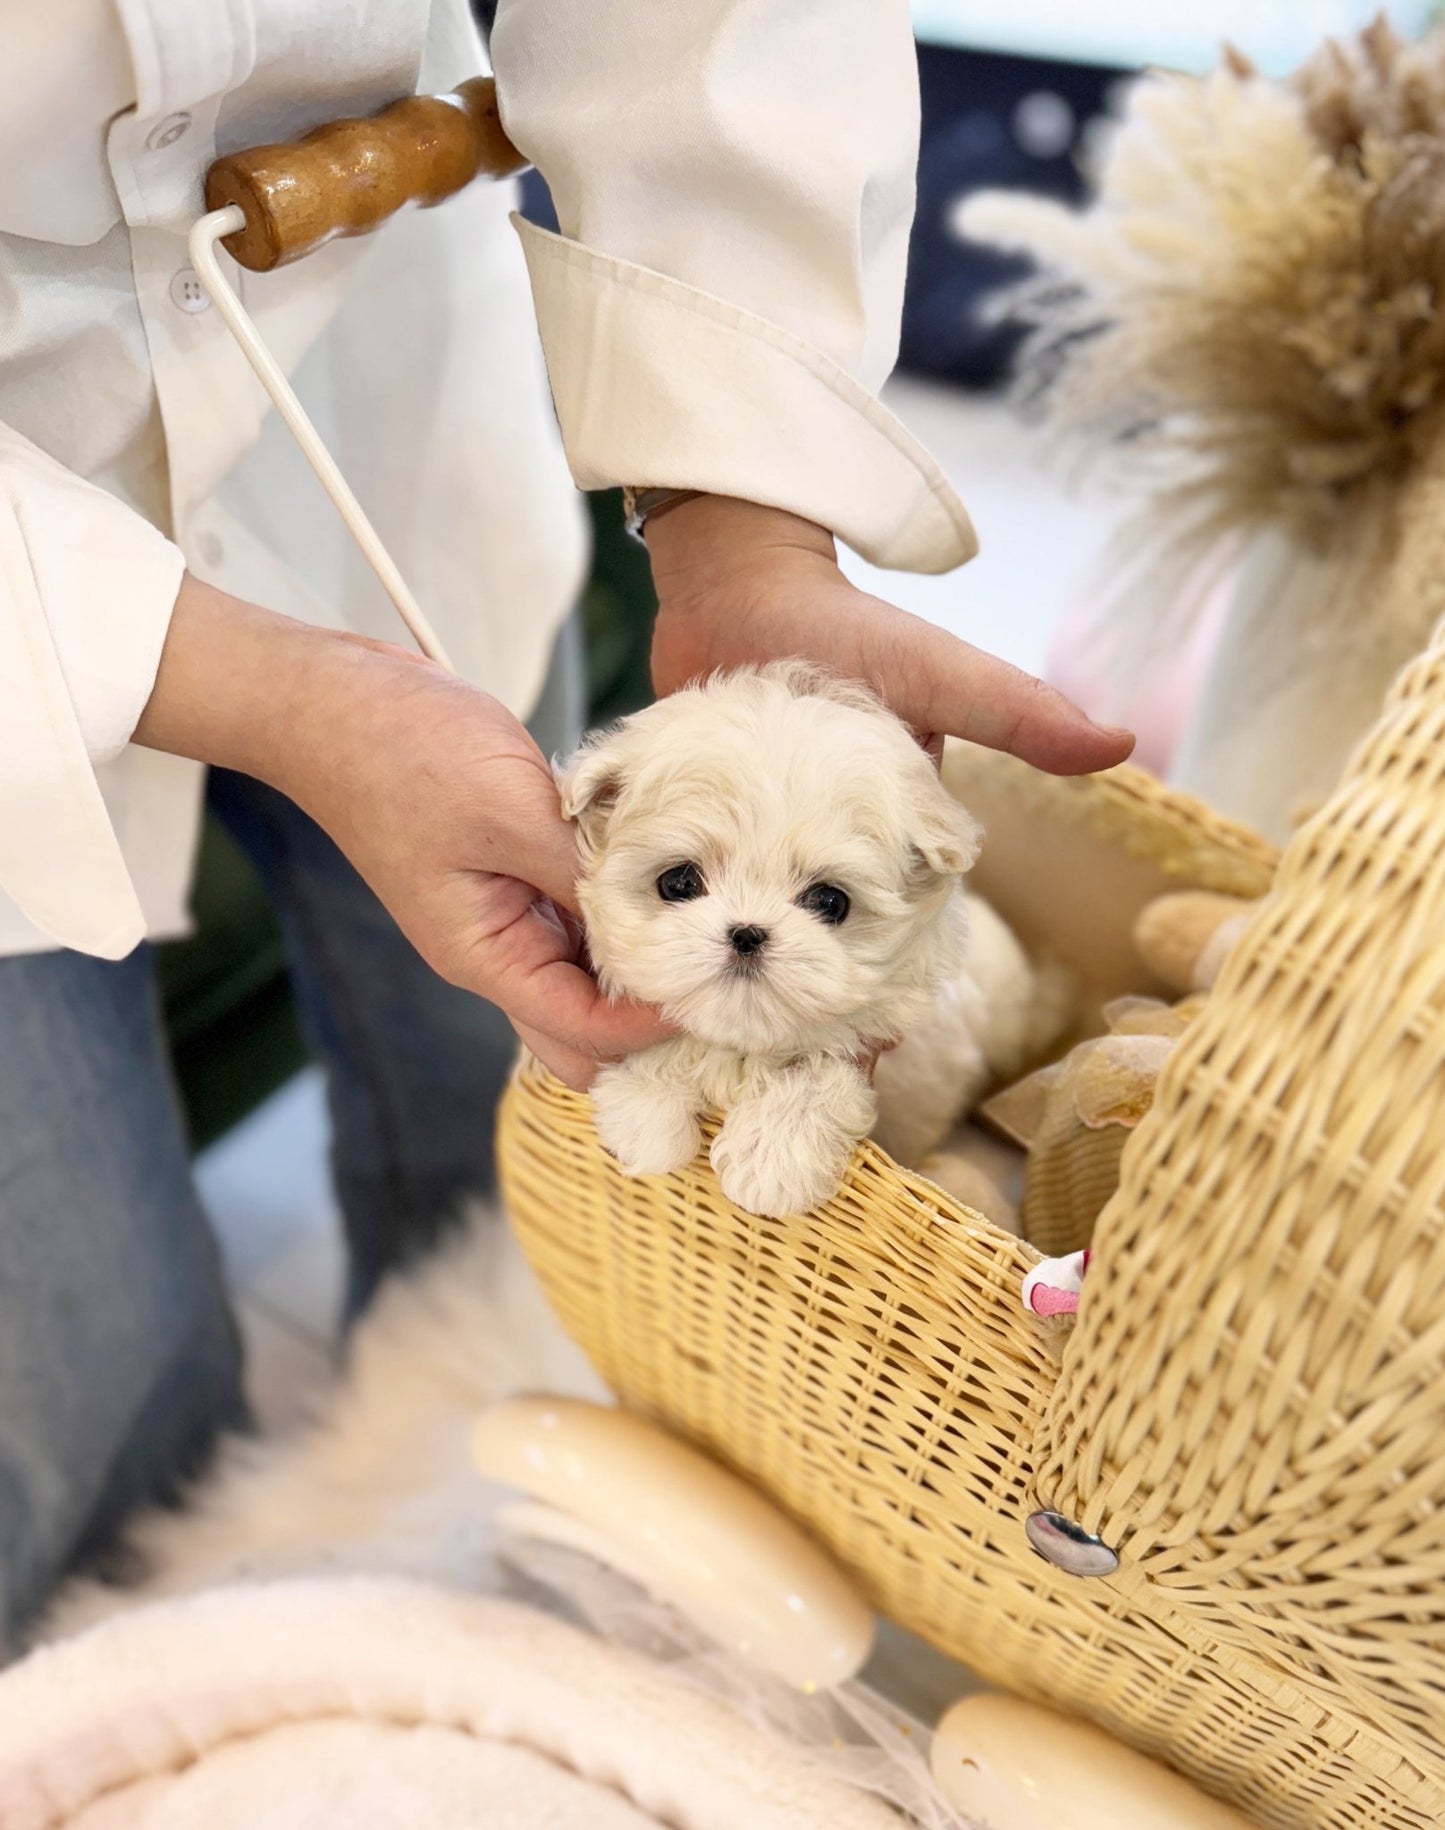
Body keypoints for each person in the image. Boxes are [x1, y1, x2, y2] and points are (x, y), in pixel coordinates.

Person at [0, 0, 1132, 1645]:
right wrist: (272, 692)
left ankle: (458, 1514)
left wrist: (748, 522)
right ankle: (137, 1695)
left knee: (491, 1111)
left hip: (356, 333)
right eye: (689, 879)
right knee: (93, 1361)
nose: (744, 929)